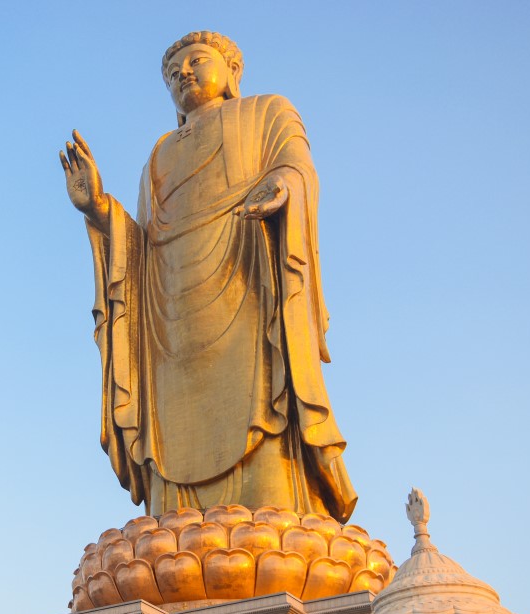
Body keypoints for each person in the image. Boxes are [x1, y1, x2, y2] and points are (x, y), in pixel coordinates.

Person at [61, 31, 356, 521]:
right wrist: (98, 208)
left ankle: (273, 507)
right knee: (170, 421)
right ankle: (173, 517)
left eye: (196, 61)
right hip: (168, 308)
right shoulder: (158, 154)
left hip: (246, 275)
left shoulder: (266, 112)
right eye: (173, 73)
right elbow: (141, 246)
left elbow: (298, 166)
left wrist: (283, 185)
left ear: (232, 72)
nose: (184, 74)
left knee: (262, 394)